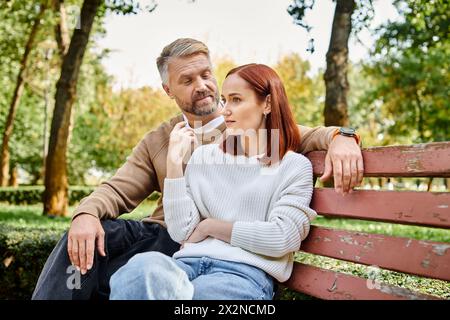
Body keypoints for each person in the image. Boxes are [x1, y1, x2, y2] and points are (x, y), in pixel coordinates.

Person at [32, 38, 363, 300]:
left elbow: (305, 134)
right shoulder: (160, 139)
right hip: (169, 237)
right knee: (88, 238)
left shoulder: (247, 124)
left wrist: (342, 136)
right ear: (168, 90)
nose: (202, 85)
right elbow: (118, 189)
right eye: (187, 80)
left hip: (217, 252)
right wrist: (86, 214)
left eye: (206, 74)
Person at [109, 63, 318, 300]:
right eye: (225, 100)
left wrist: (211, 227)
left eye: (237, 100)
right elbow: (181, 231)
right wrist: (174, 165)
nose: (226, 110)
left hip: (243, 274)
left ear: (267, 104)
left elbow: (282, 238)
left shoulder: (293, 167)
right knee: (139, 270)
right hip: (185, 267)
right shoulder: (204, 157)